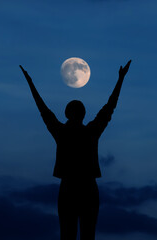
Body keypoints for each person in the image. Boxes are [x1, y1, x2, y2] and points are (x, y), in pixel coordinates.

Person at [20, 60, 131, 240]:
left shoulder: (63, 132)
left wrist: (30, 83)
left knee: (68, 235)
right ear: (83, 114)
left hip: (70, 188)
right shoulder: (89, 132)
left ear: (67, 114)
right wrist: (120, 80)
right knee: (86, 235)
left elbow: (43, 110)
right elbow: (109, 108)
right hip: (86, 187)